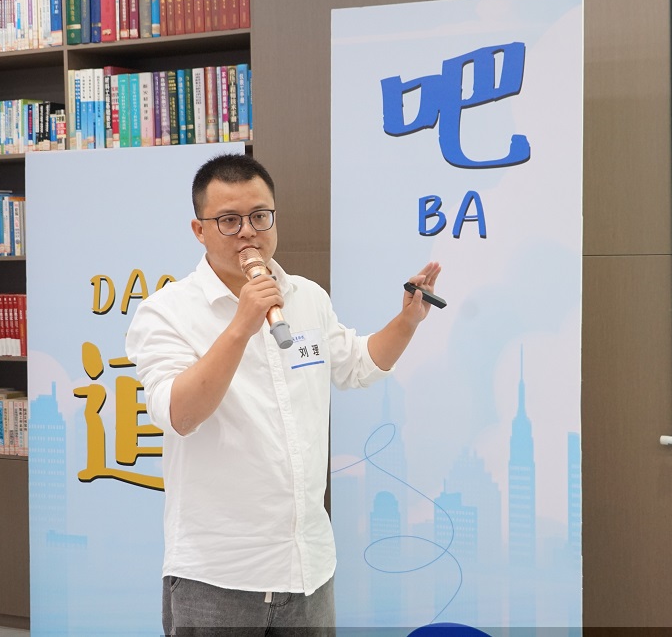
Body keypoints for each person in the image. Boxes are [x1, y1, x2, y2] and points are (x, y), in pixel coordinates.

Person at [125, 153, 440, 636]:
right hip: (219, 576)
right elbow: (179, 414)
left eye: (259, 216)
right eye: (228, 221)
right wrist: (242, 323)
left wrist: (407, 320)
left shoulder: (306, 296)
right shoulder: (165, 311)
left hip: (308, 569)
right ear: (199, 230)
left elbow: (357, 364)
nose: (247, 233)